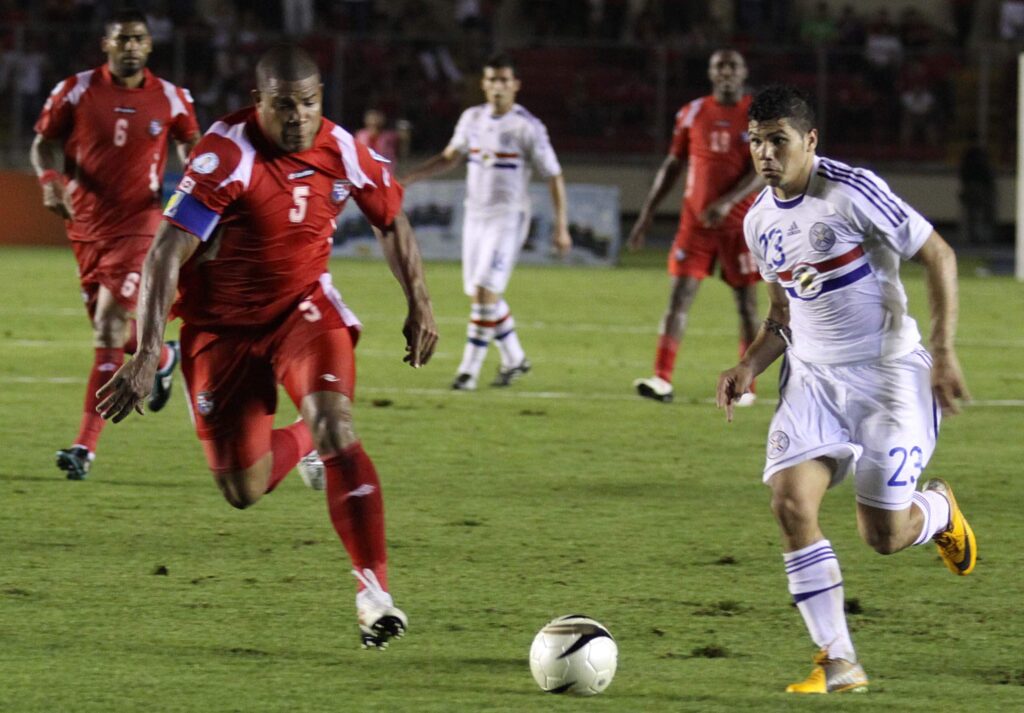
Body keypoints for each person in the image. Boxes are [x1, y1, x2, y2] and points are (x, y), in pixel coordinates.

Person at [96, 45, 439, 649]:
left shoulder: (344, 149)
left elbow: (391, 220)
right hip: (220, 330)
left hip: (302, 311)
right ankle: (304, 440)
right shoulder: (226, 155)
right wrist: (147, 354)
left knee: (337, 424)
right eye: (284, 106)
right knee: (242, 489)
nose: (299, 117)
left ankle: (374, 593)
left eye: (309, 104)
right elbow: (166, 254)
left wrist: (421, 302)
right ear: (259, 103)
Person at [716, 85, 975, 694]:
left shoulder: (851, 192)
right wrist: (749, 363)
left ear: (809, 141)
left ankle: (937, 511)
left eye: (777, 140)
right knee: (789, 503)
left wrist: (941, 352)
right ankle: (839, 661)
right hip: (811, 381)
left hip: (888, 378)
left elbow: (939, 254)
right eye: (755, 141)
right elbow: (783, 310)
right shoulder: (757, 220)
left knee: (882, 536)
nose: (764, 153)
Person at [31, 9, 200, 480]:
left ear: (149, 47)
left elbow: (194, 145)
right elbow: (43, 143)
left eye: (138, 40)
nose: (130, 47)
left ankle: (84, 447)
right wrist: (49, 181)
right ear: (106, 44)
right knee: (111, 331)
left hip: (142, 223)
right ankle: (165, 357)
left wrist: (192, 173)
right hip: (85, 226)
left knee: (107, 326)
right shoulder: (76, 90)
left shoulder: (171, 97)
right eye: (122, 39)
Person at [403, 52, 571, 390]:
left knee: (484, 291)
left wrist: (561, 225)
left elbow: (554, 175)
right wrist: (410, 178)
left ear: (516, 85)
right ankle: (515, 358)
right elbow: (450, 157)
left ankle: (468, 371)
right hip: (475, 216)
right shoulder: (471, 119)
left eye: (504, 80)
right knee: (481, 295)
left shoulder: (528, 127)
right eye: (492, 80)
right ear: (483, 84)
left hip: (508, 218)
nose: (498, 86)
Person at [629, 49, 763, 404]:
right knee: (679, 299)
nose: (727, 72)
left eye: (733, 65)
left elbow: (761, 170)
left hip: (740, 226)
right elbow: (673, 164)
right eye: (720, 66)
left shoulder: (756, 115)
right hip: (696, 224)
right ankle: (661, 379)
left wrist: (727, 203)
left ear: (744, 71)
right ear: (710, 72)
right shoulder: (691, 113)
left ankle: (746, 386)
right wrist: (646, 215)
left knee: (747, 305)